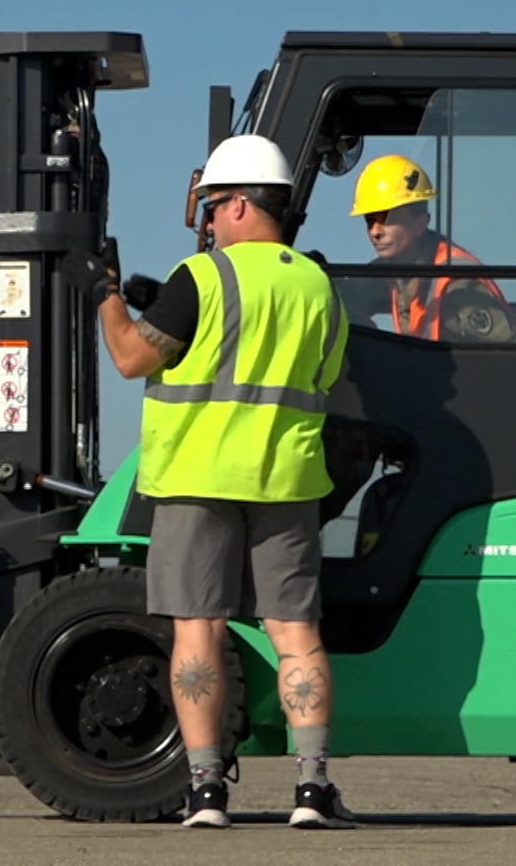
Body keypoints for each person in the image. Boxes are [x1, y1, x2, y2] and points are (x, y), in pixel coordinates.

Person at [75, 133, 354, 830]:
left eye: (209, 208)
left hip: (196, 482)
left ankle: (205, 793)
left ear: (234, 205)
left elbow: (134, 357)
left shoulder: (200, 279)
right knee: (297, 634)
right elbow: (323, 379)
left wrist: (107, 298)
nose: (205, 223)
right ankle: (313, 790)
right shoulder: (318, 286)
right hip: (287, 483)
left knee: (197, 632)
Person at [347, 154, 516, 343]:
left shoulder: (457, 283)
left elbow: (509, 358)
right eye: (370, 221)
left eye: (388, 220)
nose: (375, 232)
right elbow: (352, 291)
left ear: (420, 224)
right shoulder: (396, 271)